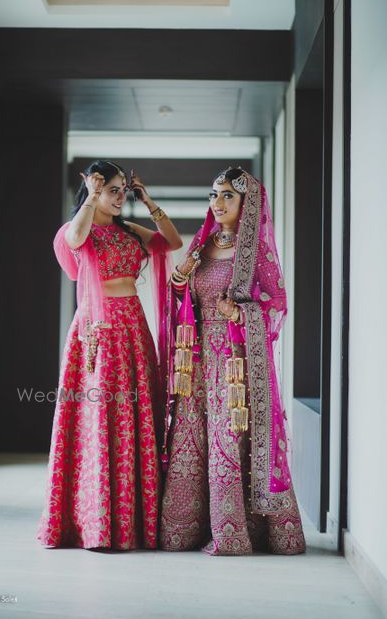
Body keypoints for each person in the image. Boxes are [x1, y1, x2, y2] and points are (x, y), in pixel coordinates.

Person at [160, 166, 306, 555]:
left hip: (233, 362)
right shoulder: (202, 244)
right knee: (191, 439)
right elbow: (183, 296)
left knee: (228, 440)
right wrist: (179, 281)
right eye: (213, 195)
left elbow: (277, 302)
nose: (218, 202)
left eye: (227, 195)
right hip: (195, 361)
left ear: (247, 202)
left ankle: (235, 532)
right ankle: (186, 530)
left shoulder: (254, 250)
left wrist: (241, 313)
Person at [37, 160, 182, 551]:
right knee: (97, 416)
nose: (119, 197)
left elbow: (171, 242)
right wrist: (88, 195)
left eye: (122, 190)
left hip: (133, 328)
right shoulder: (78, 231)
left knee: (134, 416)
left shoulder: (128, 231)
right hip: (95, 330)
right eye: (112, 190)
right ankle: (95, 524)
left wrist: (148, 201)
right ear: (94, 191)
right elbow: (73, 240)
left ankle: (132, 521)